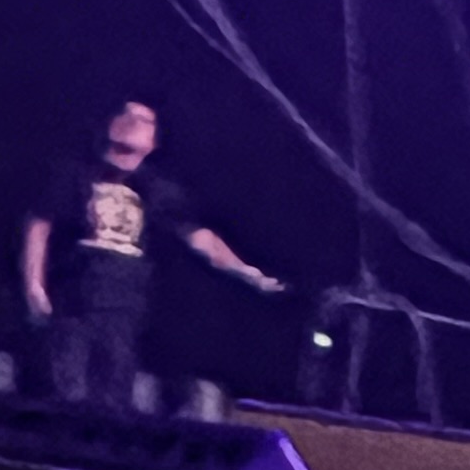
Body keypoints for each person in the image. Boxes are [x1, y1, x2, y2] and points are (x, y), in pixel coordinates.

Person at [21, 100, 283, 413]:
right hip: (74, 304)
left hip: (124, 310)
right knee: (67, 394)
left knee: (112, 397)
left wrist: (247, 272)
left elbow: (200, 238)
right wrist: (34, 285)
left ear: (153, 143)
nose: (134, 126)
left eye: (145, 122)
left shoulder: (155, 189)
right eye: (127, 117)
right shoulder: (75, 175)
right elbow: (39, 225)